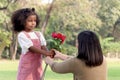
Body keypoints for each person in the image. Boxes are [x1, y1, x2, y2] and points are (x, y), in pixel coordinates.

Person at [11, 8, 54, 80]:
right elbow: (31, 48)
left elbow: (43, 46)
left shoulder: (38, 34)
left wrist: (49, 53)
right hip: (27, 66)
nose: (33, 23)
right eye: (30, 21)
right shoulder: (22, 35)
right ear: (22, 22)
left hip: (37, 65)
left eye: (34, 20)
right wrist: (45, 52)